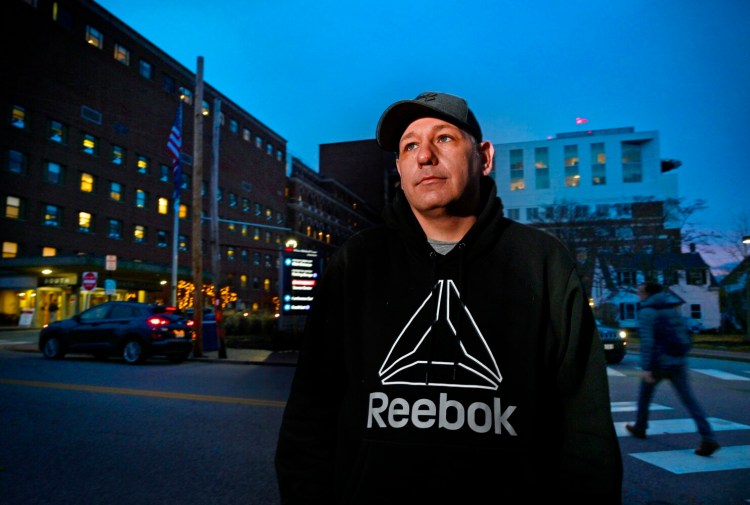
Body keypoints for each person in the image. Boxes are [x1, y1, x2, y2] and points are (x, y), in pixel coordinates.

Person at [275, 91, 623, 503]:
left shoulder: (541, 262)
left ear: (485, 157)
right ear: (400, 170)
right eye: (409, 146)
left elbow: (586, 429)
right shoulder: (357, 262)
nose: (424, 156)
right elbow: (310, 416)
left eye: (443, 139)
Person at [625, 281, 719, 456]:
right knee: (690, 401)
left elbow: (647, 342)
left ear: (647, 294)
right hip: (678, 362)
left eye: (640, 291)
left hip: (658, 364)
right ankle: (708, 438)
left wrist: (647, 368)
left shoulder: (647, 312)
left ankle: (640, 427)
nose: (638, 293)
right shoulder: (671, 308)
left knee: (644, 396)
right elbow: (685, 333)